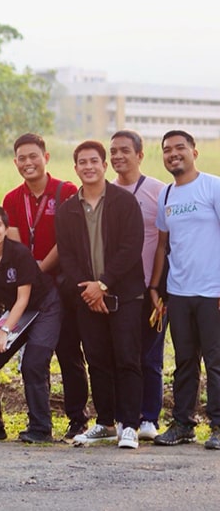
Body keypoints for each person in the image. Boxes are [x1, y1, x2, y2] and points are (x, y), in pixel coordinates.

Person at [56, 141, 145, 449]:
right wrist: (89, 288)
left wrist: (103, 284)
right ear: (76, 168)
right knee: (97, 360)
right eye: (83, 162)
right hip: (87, 298)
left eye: (94, 161)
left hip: (125, 297)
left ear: (104, 165)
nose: (89, 166)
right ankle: (106, 423)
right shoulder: (68, 208)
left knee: (127, 359)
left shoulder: (123, 201)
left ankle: (130, 424)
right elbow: (66, 255)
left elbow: (131, 249)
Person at [2, 132, 88, 442]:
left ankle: (78, 419)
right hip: (30, 290)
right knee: (35, 356)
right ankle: (39, 420)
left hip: (63, 286)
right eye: (22, 158)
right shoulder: (12, 199)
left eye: (33, 156)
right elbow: (12, 241)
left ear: (46, 157)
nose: (28, 163)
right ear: (16, 163)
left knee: (69, 353)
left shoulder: (66, 191)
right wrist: (30, 272)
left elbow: (68, 240)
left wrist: (40, 268)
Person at [0, 205, 62, 444]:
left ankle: (40, 429)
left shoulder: (19, 253)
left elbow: (24, 298)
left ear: (6, 228)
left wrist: (6, 331)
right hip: (18, 310)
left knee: (33, 363)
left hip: (44, 307)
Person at [150, 130, 220, 450]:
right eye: (167, 150)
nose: (173, 154)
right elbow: (163, 245)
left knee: (216, 361)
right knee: (184, 361)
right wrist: (156, 287)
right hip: (179, 292)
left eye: (180, 148)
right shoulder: (166, 195)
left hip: (213, 291)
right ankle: (183, 424)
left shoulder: (213, 187)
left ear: (194, 151)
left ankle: (218, 425)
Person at [110, 130, 168, 441]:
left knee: (150, 356)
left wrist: (156, 287)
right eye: (113, 151)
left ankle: (149, 417)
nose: (118, 157)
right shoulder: (105, 193)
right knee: (122, 355)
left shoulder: (158, 191)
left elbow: (162, 244)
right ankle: (123, 417)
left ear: (140, 155)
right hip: (117, 291)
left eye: (124, 151)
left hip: (152, 287)